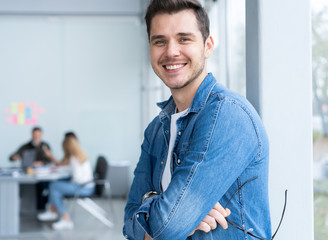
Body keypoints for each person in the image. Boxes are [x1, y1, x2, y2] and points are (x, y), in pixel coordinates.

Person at [123, 1, 271, 239]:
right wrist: (164, 207)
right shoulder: (155, 131)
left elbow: (168, 227)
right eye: (160, 41)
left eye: (184, 39)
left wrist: (162, 214)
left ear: (207, 46)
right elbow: (129, 223)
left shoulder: (228, 115)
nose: (171, 51)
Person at [37, 136, 95, 230]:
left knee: (54, 186)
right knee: (55, 183)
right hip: (87, 185)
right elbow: (71, 168)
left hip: (83, 188)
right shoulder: (79, 155)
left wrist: (68, 182)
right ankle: (53, 211)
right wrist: (59, 168)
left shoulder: (74, 158)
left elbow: (77, 178)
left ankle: (65, 219)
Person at [10, 126, 52, 210]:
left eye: (38, 135)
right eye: (34, 135)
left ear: (41, 136)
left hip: (41, 174)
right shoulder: (25, 146)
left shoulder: (45, 146)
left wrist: (41, 163)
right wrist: (15, 157)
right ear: (32, 135)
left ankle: (41, 206)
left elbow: (50, 160)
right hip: (27, 173)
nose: (36, 137)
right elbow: (12, 157)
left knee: (47, 186)